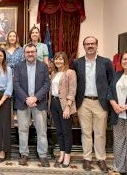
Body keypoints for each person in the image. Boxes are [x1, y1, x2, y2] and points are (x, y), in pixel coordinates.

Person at [72, 36, 113, 173]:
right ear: (83, 46)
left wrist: (110, 100)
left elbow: (110, 82)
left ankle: (101, 159)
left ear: (97, 45)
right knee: (86, 132)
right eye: (87, 44)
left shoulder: (106, 62)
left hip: (100, 103)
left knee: (100, 133)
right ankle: (87, 159)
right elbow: (74, 82)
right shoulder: (77, 63)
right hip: (83, 102)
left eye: (92, 43)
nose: (90, 46)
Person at [14, 43, 50, 167]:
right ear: (24, 53)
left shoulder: (43, 66)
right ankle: (23, 154)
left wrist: (35, 98)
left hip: (39, 103)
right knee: (23, 130)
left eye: (32, 52)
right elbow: (16, 84)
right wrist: (26, 99)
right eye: (27, 52)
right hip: (23, 103)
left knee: (42, 131)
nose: (30, 54)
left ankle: (43, 156)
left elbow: (46, 84)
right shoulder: (18, 67)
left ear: (36, 53)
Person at [50, 52, 77, 168]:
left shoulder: (70, 73)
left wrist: (68, 107)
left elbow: (72, 91)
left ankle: (67, 155)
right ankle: (61, 154)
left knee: (66, 132)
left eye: (61, 59)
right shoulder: (53, 73)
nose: (58, 61)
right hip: (54, 104)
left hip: (64, 105)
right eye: (56, 59)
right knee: (59, 131)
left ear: (65, 60)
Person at [108, 52, 127, 174]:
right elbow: (109, 91)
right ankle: (118, 168)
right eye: (125, 59)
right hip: (117, 114)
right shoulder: (116, 75)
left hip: (125, 110)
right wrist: (114, 104)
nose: (126, 61)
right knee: (119, 142)